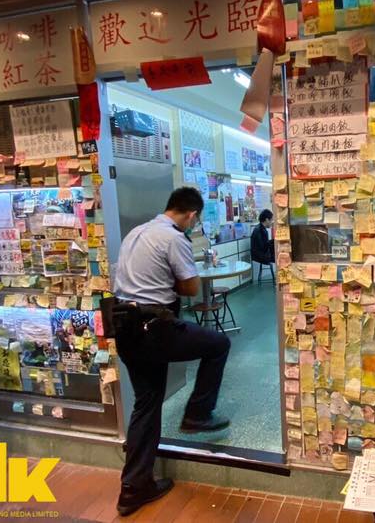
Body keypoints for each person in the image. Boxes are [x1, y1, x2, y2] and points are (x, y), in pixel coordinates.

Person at [112, 186, 231, 516]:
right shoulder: (175, 237)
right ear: (191, 215)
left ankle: (133, 489)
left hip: (126, 329)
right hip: (155, 329)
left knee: (146, 403)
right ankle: (196, 414)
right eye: (196, 220)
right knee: (219, 344)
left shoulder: (136, 232)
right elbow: (190, 287)